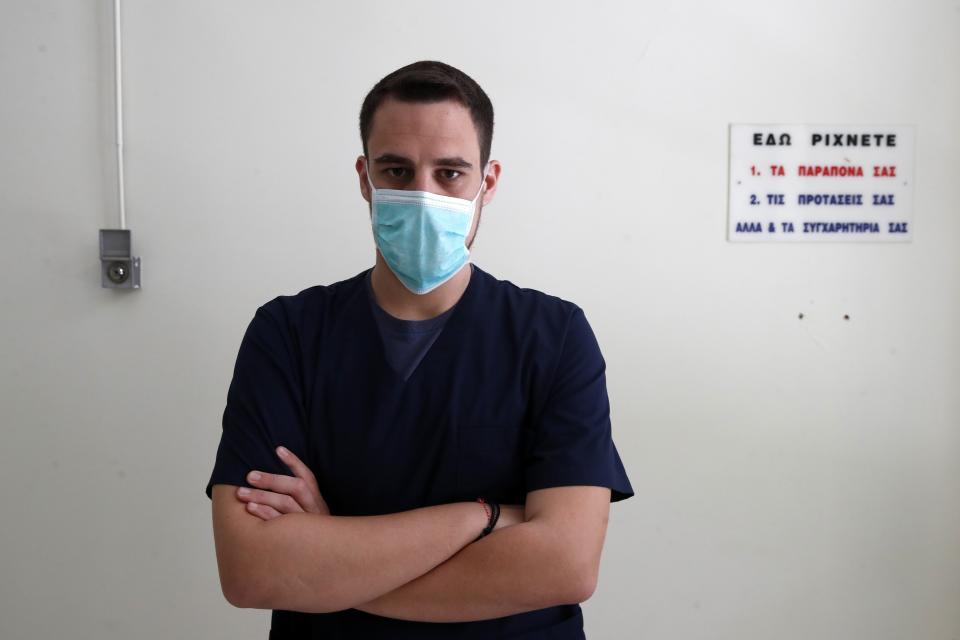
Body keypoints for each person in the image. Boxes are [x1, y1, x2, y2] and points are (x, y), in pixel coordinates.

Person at [205, 60, 634, 639]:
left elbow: (567, 565)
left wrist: (332, 563)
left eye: (451, 173)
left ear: (489, 181)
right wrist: (479, 518)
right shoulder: (288, 333)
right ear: (365, 178)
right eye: (397, 170)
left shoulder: (554, 336)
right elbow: (252, 571)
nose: (423, 195)